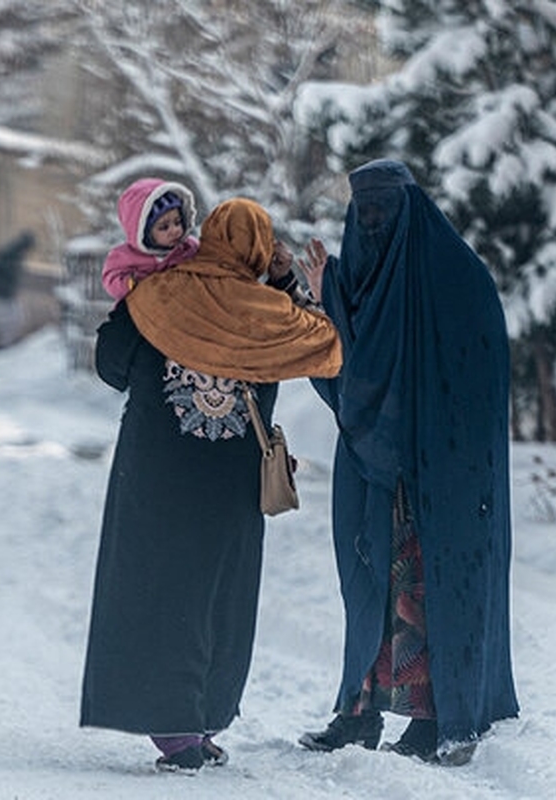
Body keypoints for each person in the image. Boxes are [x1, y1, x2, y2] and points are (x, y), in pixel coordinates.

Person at [80, 198, 344, 772]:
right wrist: (285, 279)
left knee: (155, 589)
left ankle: (174, 727)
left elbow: (110, 365)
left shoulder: (158, 291)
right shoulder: (271, 312)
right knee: (218, 594)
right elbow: (328, 347)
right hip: (229, 480)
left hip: (154, 469)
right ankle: (197, 718)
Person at [298, 159, 518, 765]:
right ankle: (360, 711)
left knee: (425, 592)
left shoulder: (457, 278)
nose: (373, 223)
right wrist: (329, 301)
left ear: (411, 207)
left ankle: (434, 715)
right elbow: (351, 379)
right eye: (361, 211)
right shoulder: (360, 282)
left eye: (384, 208)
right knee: (368, 587)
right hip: (373, 474)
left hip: (439, 478)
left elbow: (477, 377)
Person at [101, 178, 199, 301]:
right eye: (164, 227)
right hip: (142, 310)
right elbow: (111, 278)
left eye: (177, 222)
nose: (174, 230)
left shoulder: (189, 247)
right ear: (144, 233)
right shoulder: (125, 256)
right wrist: (129, 283)